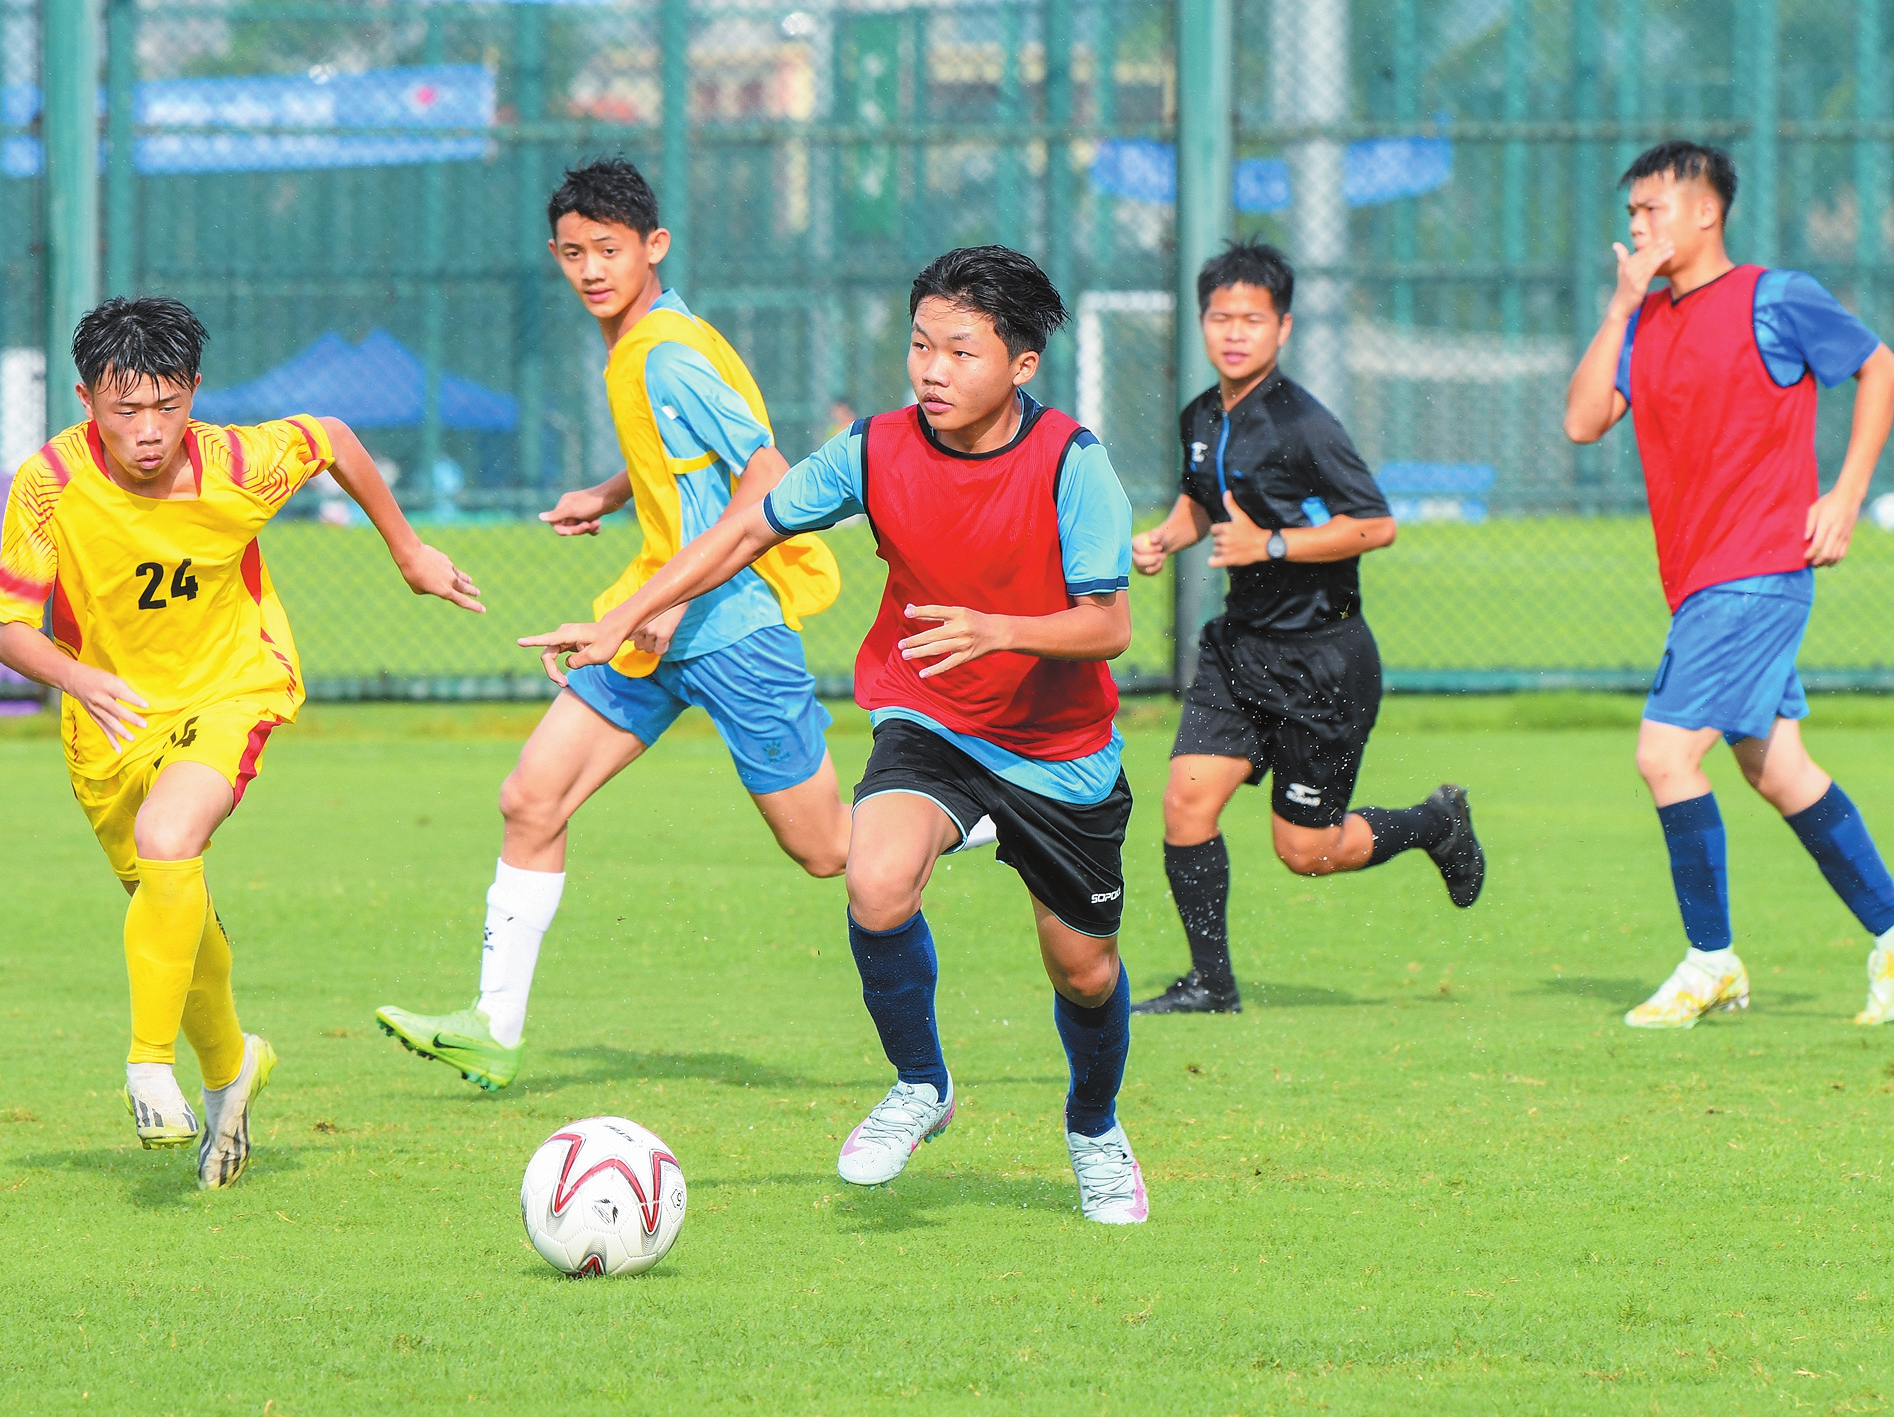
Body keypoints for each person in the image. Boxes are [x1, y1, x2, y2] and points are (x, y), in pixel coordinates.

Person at [527, 246, 1150, 1224]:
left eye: (960, 351)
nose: (932, 370)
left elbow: (1107, 626)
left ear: (1021, 365)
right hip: (927, 715)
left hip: (1057, 745)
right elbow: (746, 528)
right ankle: (921, 1083)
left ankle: (1094, 1128)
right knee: (874, 878)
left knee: (1084, 968)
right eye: (920, 345)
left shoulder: (1074, 464)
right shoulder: (874, 449)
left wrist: (998, 631)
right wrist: (621, 618)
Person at [374, 158, 850, 1090]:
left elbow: (768, 478)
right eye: (573, 253)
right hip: (657, 621)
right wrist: (609, 491)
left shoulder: (666, 352)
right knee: (532, 797)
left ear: (653, 246)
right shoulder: (642, 345)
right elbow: (686, 457)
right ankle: (492, 1029)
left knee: (828, 849)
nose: (590, 269)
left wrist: (663, 603)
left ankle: (1004, 812)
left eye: (609, 249)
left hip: (730, 627)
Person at [0, 296, 481, 1188]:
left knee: (168, 838)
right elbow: (10, 630)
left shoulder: (238, 463)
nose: (149, 430)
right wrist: (79, 676)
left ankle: (148, 1067)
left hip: (230, 686)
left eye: (168, 405)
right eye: (125, 409)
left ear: (195, 392)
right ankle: (230, 1070)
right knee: (171, 902)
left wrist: (408, 549)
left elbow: (332, 437)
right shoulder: (49, 481)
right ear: (85, 399)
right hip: (109, 722)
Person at [1565, 141, 1894, 1029]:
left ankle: (1711, 960)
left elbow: (1883, 367)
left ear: (1706, 211)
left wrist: (1845, 494)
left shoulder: (1775, 297)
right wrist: (1620, 306)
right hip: (1703, 581)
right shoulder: (1644, 319)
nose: (1637, 226)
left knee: (1665, 756)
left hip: (1756, 573)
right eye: (1631, 213)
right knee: (1777, 769)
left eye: (1653, 208)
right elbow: (1583, 421)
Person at [1128, 241, 1485, 1016]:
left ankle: (1436, 823)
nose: (1234, 333)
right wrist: (1164, 537)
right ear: (1202, 321)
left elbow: (1377, 524)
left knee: (1306, 850)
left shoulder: (1304, 424)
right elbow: (1202, 501)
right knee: (1185, 802)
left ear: (1283, 327)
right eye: (1221, 317)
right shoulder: (1201, 415)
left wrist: (1272, 545)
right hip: (1239, 649)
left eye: (1252, 319)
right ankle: (1211, 985)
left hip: (1323, 661)